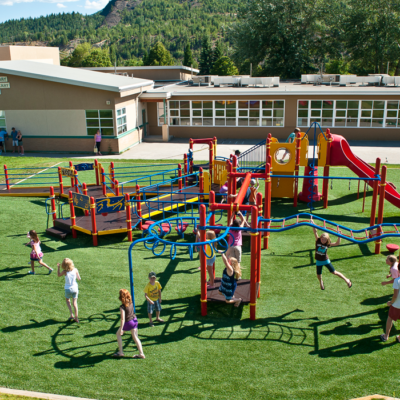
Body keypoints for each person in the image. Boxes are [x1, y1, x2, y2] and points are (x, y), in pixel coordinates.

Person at [113, 289, 145, 359]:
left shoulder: (122, 307)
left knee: (118, 334)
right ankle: (141, 353)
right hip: (135, 320)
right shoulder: (131, 302)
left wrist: (121, 328)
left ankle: (120, 352)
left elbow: (122, 319)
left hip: (128, 322)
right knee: (136, 337)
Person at [57, 258, 81, 323]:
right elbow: (79, 278)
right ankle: (76, 317)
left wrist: (58, 267)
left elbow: (58, 275)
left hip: (68, 289)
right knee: (75, 303)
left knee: (67, 300)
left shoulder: (65, 272)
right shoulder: (75, 270)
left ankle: (71, 314)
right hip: (75, 288)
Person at [380, 274, 400, 343]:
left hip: (396, 305)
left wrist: (391, 303)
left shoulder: (397, 280)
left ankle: (386, 336)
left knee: (390, 318)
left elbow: (395, 295)